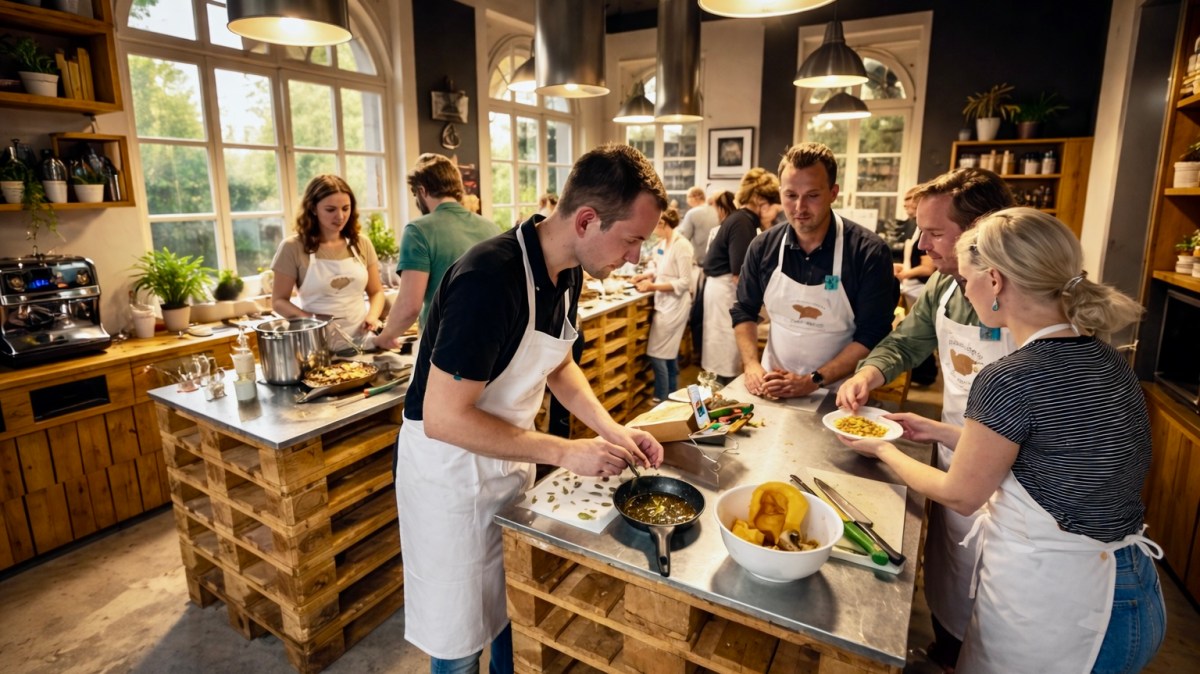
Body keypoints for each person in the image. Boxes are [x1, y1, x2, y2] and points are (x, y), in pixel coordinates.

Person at [840, 208, 1165, 673]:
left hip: (1062, 606)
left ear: (995, 281)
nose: (963, 288)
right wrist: (938, 430)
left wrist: (884, 447)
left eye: (968, 277)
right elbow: (1042, 453)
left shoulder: (1011, 376)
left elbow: (961, 494)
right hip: (1127, 587)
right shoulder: (1104, 356)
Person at [394, 143, 667, 674]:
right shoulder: (489, 280)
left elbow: (559, 366)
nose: (635, 256)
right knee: (460, 641)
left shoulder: (569, 271)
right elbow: (444, 418)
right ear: (587, 220)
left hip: (504, 463)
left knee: (511, 612)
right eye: (632, 239)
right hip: (449, 477)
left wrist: (612, 431)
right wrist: (565, 451)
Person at [835, 167, 1015, 671]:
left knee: (1006, 602)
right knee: (952, 570)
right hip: (956, 446)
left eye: (934, 233)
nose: (921, 244)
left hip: (1023, 477)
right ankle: (947, 650)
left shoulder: (1030, 296)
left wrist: (887, 447)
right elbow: (906, 341)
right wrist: (868, 375)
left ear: (982, 229)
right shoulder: (943, 285)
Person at [733, 142, 894, 399]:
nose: (799, 208)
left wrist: (814, 380)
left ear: (833, 192)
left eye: (813, 195)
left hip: (838, 392)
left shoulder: (868, 253)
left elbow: (872, 334)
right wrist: (752, 365)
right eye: (791, 195)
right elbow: (744, 310)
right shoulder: (763, 247)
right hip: (772, 384)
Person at [376, 153, 500, 347]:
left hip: (442, 346)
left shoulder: (417, 231)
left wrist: (384, 337)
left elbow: (409, 306)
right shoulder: (491, 228)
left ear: (422, 190)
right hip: (490, 341)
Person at [270, 174, 384, 352]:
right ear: (313, 209)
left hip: (362, 342)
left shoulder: (361, 243)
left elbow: (376, 291)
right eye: (330, 209)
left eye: (346, 208)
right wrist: (313, 320)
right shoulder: (292, 248)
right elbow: (278, 301)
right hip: (316, 345)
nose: (340, 216)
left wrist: (373, 316)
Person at [701, 170, 779, 385]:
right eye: (775, 204)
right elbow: (740, 275)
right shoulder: (743, 222)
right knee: (726, 351)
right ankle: (724, 393)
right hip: (724, 291)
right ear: (760, 199)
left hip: (723, 290)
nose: (777, 210)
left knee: (725, 349)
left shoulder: (744, 220)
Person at [632, 207, 693, 402]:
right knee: (668, 353)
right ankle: (672, 395)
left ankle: (661, 397)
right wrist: (645, 275)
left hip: (675, 306)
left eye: (655, 225)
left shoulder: (682, 246)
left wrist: (653, 287)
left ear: (663, 224)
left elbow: (685, 282)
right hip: (663, 304)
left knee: (657, 353)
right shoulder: (662, 243)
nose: (653, 231)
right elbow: (656, 266)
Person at [893, 186, 937, 385]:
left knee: (920, 333)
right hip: (911, 289)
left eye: (909, 200)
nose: (906, 205)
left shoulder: (924, 232)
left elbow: (927, 269)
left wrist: (905, 274)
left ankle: (924, 375)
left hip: (920, 289)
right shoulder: (916, 229)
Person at [676, 185, 719, 269]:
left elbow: (684, 237)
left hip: (699, 262)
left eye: (688, 197)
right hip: (716, 260)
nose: (687, 200)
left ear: (695, 197)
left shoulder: (692, 213)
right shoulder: (716, 210)